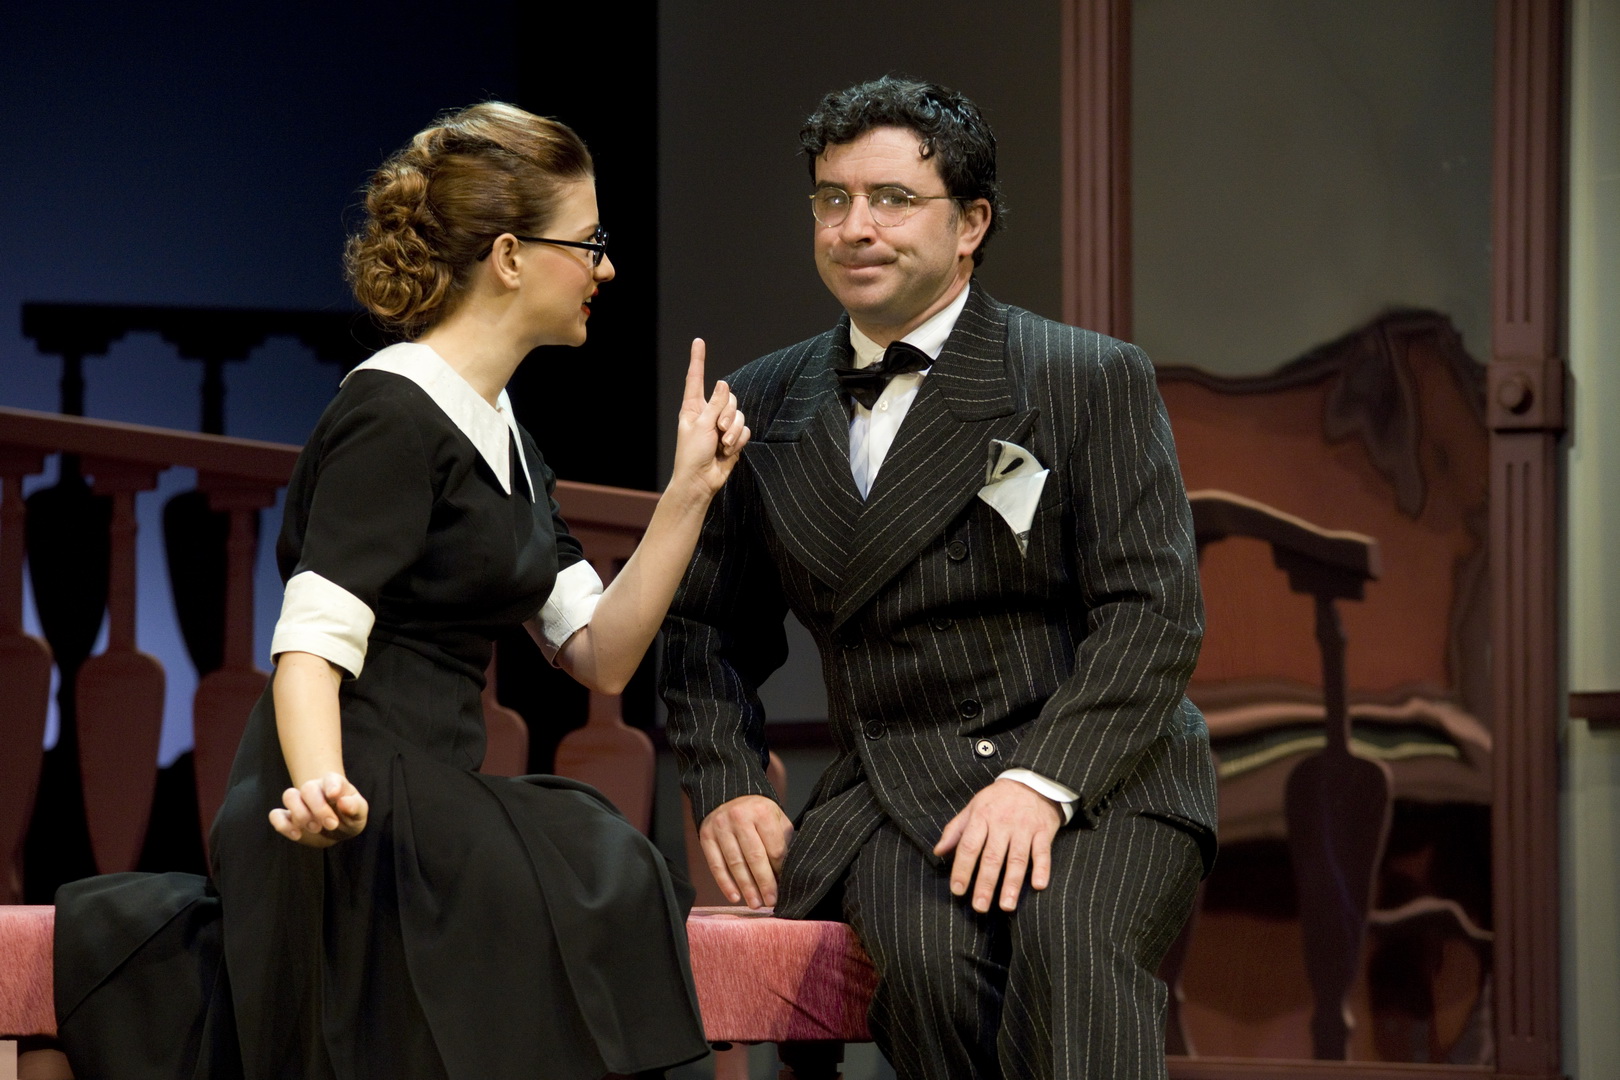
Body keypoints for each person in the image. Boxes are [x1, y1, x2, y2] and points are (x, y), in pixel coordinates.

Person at [54, 102, 746, 1080]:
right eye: (589, 243)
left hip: (431, 796)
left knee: (606, 862)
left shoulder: (502, 432)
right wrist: (319, 784)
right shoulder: (393, 412)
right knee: (585, 868)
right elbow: (309, 643)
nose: (606, 269)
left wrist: (687, 496)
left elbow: (601, 652)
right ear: (510, 256)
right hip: (346, 794)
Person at [661, 77, 1218, 1080]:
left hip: (1101, 769)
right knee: (927, 968)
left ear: (971, 224)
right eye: (833, 199)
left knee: (1066, 947)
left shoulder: (1084, 377)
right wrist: (729, 782)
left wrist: (1040, 783)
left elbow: (1154, 613)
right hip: (901, 783)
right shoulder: (765, 399)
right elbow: (703, 633)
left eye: (891, 199)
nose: (855, 227)